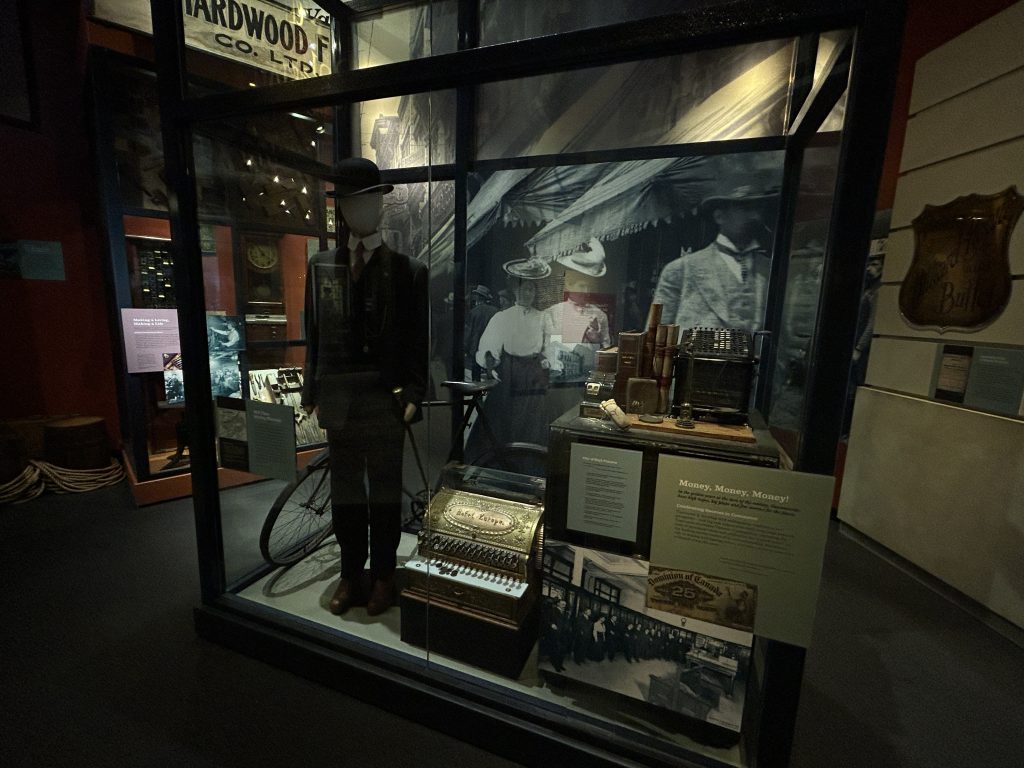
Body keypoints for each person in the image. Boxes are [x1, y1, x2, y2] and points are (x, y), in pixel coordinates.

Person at [301, 158, 428, 618]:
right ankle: (351, 573)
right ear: (341, 209)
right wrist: (310, 391)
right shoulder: (321, 267)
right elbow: (313, 331)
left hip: (385, 402)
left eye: (368, 200)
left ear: (380, 204)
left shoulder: (409, 270)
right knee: (346, 496)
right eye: (351, 202)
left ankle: (385, 575)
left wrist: (415, 393)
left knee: (385, 497)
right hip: (338, 401)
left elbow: (419, 340)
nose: (360, 211)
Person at [652, 184, 777, 332]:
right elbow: (655, 335)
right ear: (719, 216)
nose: (755, 216)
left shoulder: (771, 270)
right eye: (745, 208)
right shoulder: (681, 269)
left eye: (758, 209)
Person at [463, 272, 550, 467]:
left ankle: (529, 467)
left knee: (533, 423)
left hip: (534, 376)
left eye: (532, 289)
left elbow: (549, 346)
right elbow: (489, 347)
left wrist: (549, 362)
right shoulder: (502, 317)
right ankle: (499, 466)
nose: (528, 293)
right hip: (510, 374)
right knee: (502, 421)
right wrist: (490, 361)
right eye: (524, 288)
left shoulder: (542, 318)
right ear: (516, 290)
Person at [542, 238, 612, 379]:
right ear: (568, 285)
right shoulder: (552, 313)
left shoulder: (600, 315)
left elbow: (607, 350)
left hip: (588, 378)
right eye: (581, 286)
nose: (587, 291)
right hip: (559, 378)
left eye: (589, 286)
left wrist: (595, 340)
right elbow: (545, 348)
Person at [463, 284, 497, 380]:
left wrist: (465, 347)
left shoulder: (473, 312)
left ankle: (477, 393)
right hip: (490, 347)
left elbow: (468, 333)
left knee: (475, 375)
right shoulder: (495, 311)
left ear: (478, 297)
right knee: (490, 374)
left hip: (475, 348)